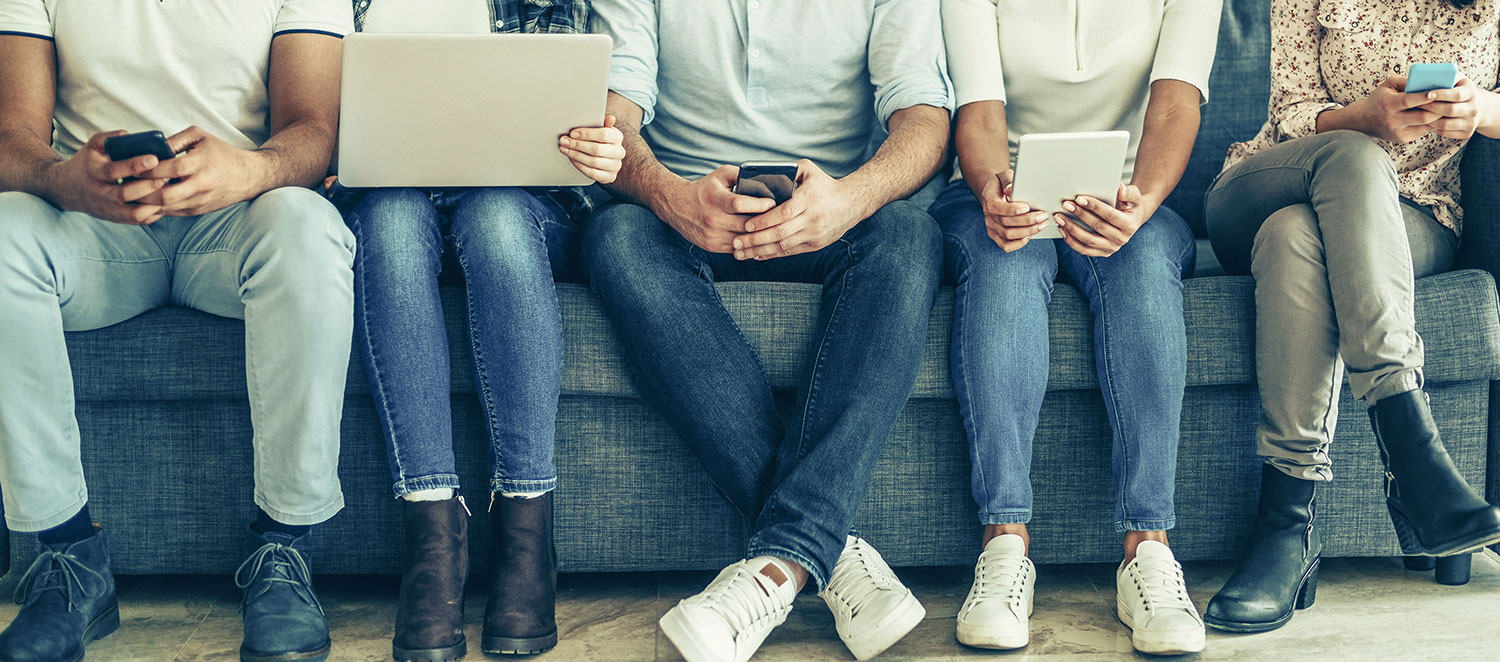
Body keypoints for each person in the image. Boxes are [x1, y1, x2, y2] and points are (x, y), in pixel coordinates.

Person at [584, 1, 953, 660]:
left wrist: (848, 200)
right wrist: (672, 196)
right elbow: (615, 115)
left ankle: (776, 566)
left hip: (833, 210)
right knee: (615, 234)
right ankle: (821, 553)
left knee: (908, 233)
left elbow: (925, 120)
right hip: (686, 211)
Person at [0, 2, 357, 661]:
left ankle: (282, 553)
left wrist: (249, 170)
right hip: (98, 226)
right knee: (2, 234)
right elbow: (10, 133)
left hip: (236, 222)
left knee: (307, 228)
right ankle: (69, 564)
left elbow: (313, 130)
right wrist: (63, 178)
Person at [933, 0, 1221, 655]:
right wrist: (993, 195)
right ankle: (1005, 544)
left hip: (1124, 195)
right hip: (1001, 193)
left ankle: (1148, 549)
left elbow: (1175, 106)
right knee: (1007, 264)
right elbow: (979, 113)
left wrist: (1142, 201)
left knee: (1145, 264)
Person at [1203, 0, 1500, 634]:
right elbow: (1290, 111)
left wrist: (1482, 111)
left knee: (1293, 240)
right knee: (1353, 155)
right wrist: (1363, 118)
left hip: (1411, 215)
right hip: (1270, 179)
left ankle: (1286, 528)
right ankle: (1413, 454)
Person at [338, 1, 623, 660]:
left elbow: (579, 120)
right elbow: (311, 113)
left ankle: (528, 534)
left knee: (494, 217)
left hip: (522, 204)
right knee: (389, 222)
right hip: (386, 197)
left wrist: (599, 144)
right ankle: (433, 545)